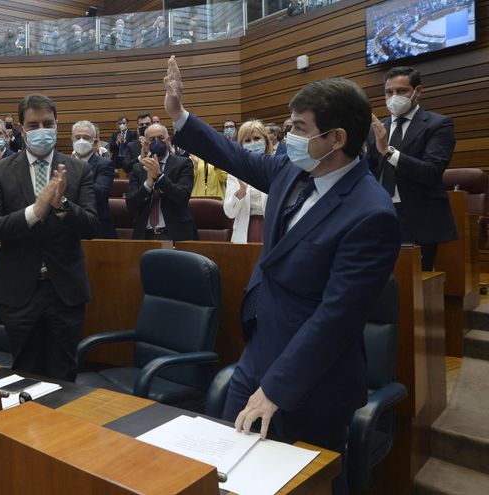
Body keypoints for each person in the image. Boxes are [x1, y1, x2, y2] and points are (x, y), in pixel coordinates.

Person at [165, 55, 399, 494]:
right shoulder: (295, 168)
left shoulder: (371, 214)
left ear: (336, 139)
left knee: (296, 487)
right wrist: (180, 116)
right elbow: (236, 156)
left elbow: (336, 318)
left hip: (313, 383)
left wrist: (276, 389)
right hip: (257, 354)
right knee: (229, 478)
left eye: (298, 129)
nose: (287, 138)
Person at [0, 94, 98, 381]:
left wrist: (63, 206)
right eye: (33, 125)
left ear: (57, 126)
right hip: (19, 291)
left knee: (64, 373)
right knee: (25, 373)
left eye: (47, 123)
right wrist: (35, 211)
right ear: (22, 129)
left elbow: (92, 226)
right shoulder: (1, 171)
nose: (41, 129)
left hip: (65, 291)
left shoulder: (78, 169)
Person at [367, 66, 457, 271]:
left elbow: (432, 171)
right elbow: (370, 170)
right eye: (389, 92)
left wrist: (389, 152)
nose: (393, 97)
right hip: (380, 213)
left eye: (401, 91)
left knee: (416, 284)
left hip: (418, 216)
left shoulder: (438, 124)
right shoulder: (378, 128)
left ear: (418, 91)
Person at [126, 123, 196, 241]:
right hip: (144, 235)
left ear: (168, 140)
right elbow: (131, 204)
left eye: (161, 138)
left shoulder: (183, 164)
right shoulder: (138, 168)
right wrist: (148, 185)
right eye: (152, 139)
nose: (157, 141)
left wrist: (159, 177)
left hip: (174, 234)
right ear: (146, 144)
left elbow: (182, 197)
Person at [224, 120, 272, 243]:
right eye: (247, 141)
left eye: (257, 138)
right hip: (244, 233)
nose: (253, 143)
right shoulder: (235, 172)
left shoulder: (276, 167)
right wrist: (241, 191)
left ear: (266, 141)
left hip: (272, 230)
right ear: (241, 145)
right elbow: (230, 213)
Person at [72, 120, 116, 239]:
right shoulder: (64, 164)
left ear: (95, 142)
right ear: (73, 141)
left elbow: (100, 193)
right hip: (70, 226)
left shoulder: (105, 164)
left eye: (86, 138)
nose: (81, 141)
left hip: (98, 227)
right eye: (77, 137)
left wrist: (76, 175)